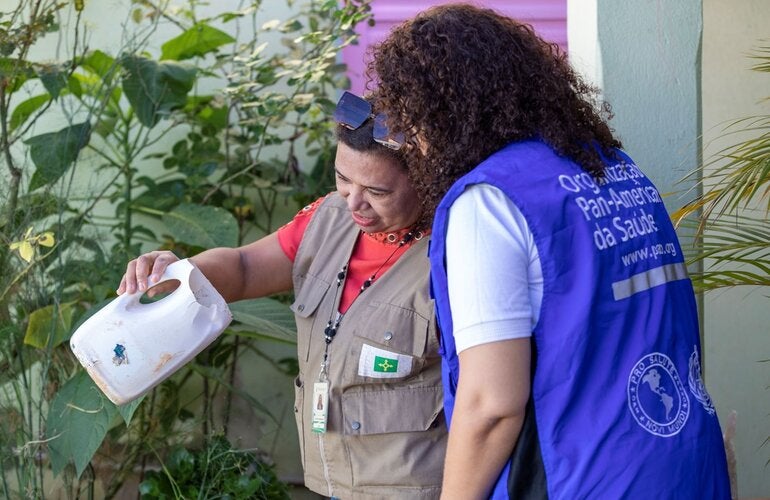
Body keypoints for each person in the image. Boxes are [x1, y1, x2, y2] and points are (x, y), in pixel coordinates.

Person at [369, 4, 731, 499]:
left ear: (439, 111)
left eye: (406, 118)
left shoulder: (490, 203)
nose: (411, 142)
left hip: (582, 478)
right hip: (682, 462)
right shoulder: (611, 167)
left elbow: (492, 404)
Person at [118, 92, 446, 499]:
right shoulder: (328, 219)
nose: (354, 203)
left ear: (426, 178)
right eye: (343, 179)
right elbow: (244, 268)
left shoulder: (452, 251)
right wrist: (180, 272)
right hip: (333, 482)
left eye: (377, 191)